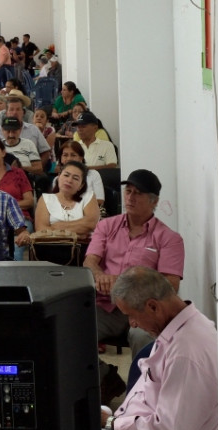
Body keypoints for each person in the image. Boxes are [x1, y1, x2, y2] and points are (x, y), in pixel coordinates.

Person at [100, 266, 218, 430]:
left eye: (131, 315)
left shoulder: (186, 352)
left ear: (153, 306)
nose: (131, 324)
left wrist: (113, 422)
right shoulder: (182, 327)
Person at [83, 169, 184, 404]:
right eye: (128, 191)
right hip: (106, 306)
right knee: (73, 329)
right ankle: (105, 377)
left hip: (143, 311)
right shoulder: (107, 226)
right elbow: (90, 262)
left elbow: (171, 284)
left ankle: (142, 400)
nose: (130, 197)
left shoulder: (168, 238)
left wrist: (122, 282)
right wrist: (99, 276)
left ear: (154, 201)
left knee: (144, 338)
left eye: (138, 193)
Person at [0, 136, 34, 221]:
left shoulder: (18, 173)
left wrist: (5, 206)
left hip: (18, 216)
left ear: (3, 153)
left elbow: (29, 201)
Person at [58, 140, 105, 206]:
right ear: (61, 159)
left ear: (81, 158)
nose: (69, 159)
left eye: (73, 155)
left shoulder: (93, 174)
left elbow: (100, 200)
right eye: (65, 155)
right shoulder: (58, 179)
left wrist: (76, 209)